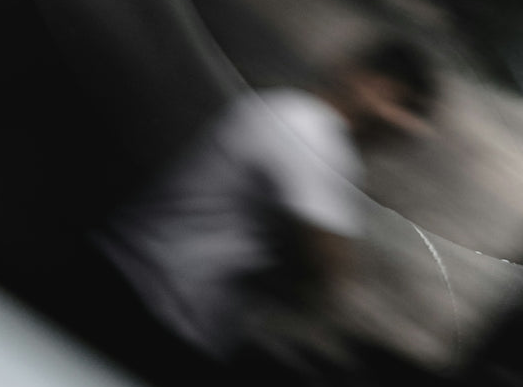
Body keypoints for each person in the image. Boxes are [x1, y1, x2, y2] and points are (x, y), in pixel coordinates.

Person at [102, 40, 435, 361]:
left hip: (140, 282)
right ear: (373, 86)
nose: (412, 130)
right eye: (408, 109)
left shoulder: (284, 107)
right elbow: (330, 274)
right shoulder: (315, 137)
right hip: (153, 306)